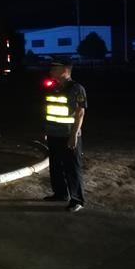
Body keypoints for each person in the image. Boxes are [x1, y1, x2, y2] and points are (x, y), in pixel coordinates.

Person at [42, 56, 87, 212]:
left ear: (65, 70)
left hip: (68, 135)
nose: (51, 71)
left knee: (72, 168)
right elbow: (49, 110)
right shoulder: (52, 87)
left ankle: (77, 200)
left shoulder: (76, 88)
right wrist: (46, 130)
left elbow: (80, 113)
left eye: (55, 68)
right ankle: (60, 194)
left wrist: (74, 135)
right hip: (53, 134)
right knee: (55, 167)